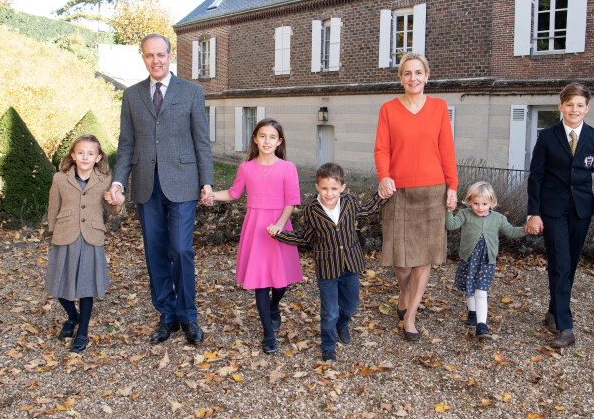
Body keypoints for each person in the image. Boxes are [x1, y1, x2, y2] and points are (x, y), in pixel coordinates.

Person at [108, 33, 213, 346]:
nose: (155, 60)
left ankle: (188, 316)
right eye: (149, 55)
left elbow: (201, 141)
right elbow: (126, 144)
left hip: (182, 182)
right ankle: (167, 315)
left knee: (181, 250)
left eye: (160, 54)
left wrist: (206, 180)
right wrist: (117, 180)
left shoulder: (192, 91)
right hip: (145, 185)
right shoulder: (132, 95)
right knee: (155, 253)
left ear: (170, 56)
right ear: (143, 58)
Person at [525, 82, 594, 348]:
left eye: (580, 105)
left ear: (587, 108)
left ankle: (554, 311)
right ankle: (565, 327)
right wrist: (534, 213)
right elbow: (536, 178)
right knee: (561, 263)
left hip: (581, 211)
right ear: (561, 107)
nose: (574, 110)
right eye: (569, 105)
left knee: (569, 265)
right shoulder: (547, 136)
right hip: (552, 211)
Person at [374, 52, 458, 342]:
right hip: (398, 191)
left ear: (427, 76)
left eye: (418, 72)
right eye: (407, 73)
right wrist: (384, 176)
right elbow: (382, 149)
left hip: (433, 189)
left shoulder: (439, 107)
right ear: (400, 78)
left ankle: (410, 316)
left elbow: (447, 149)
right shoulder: (388, 109)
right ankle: (404, 290)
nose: (413, 78)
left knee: (424, 257)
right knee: (402, 261)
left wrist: (453, 186)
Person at [269, 162, 387, 362]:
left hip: (350, 265)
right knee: (329, 312)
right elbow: (306, 238)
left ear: (342, 187)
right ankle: (328, 346)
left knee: (351, 305)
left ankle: (342, 324)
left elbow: (367, 211)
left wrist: (382, 195)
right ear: (317, 187)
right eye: (324, 188)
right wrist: (280, 235)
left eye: (334, 188)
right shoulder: (312, 210)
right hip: (327, 269)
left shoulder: (349, 201)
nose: (329, 193)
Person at [205, 118, 302, 354]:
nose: (266, 141)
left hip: (280, 227)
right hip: (256, 228)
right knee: (261, 283)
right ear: (255, 139)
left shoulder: (287, 168)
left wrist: (279, 225)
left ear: (279, 141)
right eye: (262, 136)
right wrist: (211, 195)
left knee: (281, 284)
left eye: (272, 137)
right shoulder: (246, 167)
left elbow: (291, 202)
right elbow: (234, 192)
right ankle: (268, 335)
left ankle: (274, 306)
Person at [46, 134, 124, 352]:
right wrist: (52, 232)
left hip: (91, 236)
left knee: (86, 287)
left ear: (98, 157)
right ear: (73, 155)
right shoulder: (60, 178)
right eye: (80, 153)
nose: (85, 157)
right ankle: (73, 316)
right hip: (65, 235)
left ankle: (82, 331)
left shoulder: (105, 180)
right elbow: (54, 207)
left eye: (90, 154)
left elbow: (111, 210)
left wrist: (116, 203)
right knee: (60, 285)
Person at [446, 181, 526, 339]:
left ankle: (482, 326)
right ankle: (472, 313)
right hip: (468, 259)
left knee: (481, 292)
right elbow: (451, 225)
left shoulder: (498, 218)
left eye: (484, 203)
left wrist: (526, 228)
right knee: (470, 289)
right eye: (476, 203)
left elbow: (511, 231)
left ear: (492, 203)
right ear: (469, 201)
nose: (480, 207)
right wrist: (449, 211)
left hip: (486, 261)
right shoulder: (465, 214)